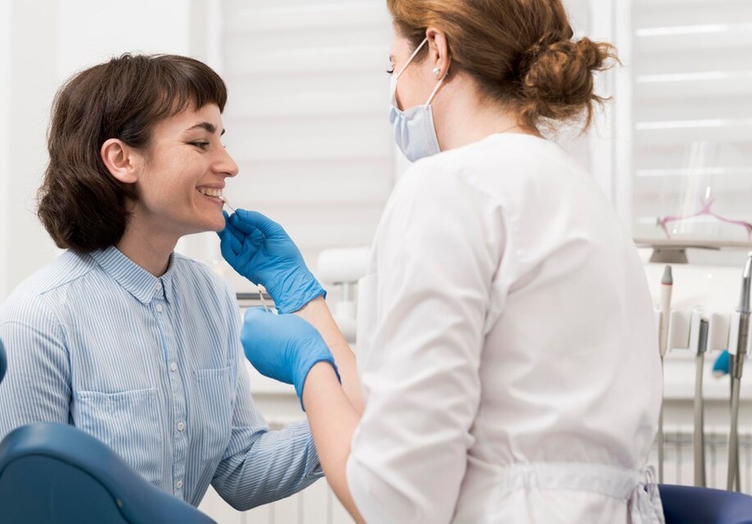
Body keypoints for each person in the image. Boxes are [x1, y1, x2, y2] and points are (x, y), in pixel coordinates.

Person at [218, 0, 666, 522]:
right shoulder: (579, 192)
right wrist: (309, 304)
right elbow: (409, 413)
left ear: (435, 49)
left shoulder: (449, 188)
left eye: (393, 68)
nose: (394, 92)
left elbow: (395, 504)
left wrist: (309, 369)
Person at [0, 53, 331, 510]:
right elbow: (19, 509)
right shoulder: (39, 320)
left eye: (221, 141)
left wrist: (347, 410)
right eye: (201, 143)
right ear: (122, 159)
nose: (228, 165)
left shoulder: (210, 297)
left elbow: (240, 469)